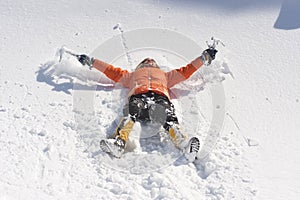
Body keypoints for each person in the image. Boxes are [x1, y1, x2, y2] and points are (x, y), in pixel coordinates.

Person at [77, 48, 217, 161]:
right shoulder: (131, 76)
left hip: (159, 99)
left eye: (152, 61)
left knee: (168, 115)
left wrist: (204, 58)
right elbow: (111, 71)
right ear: (140, 66)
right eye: (146, 61)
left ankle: (184, 144)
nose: (149, 62)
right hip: (139, 98)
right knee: (131, 111)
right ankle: (119, 142)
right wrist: (92, 62)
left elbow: (186, 70)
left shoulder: (166, 76)